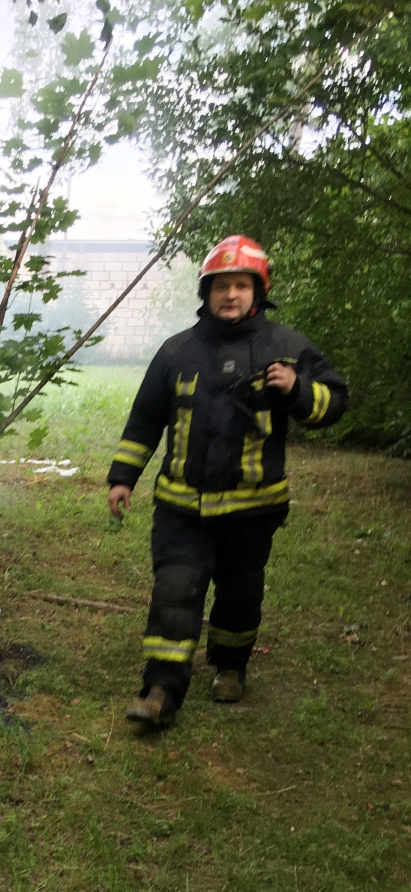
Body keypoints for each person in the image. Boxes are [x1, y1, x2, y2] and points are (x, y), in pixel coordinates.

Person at [106, 234, 348, 727]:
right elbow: (145, 419)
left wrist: (298, 389)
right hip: (181, 507)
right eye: (221, 285)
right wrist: (123, 477)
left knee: (240, 593)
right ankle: (160, 689)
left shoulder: (288, 347)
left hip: (253, 509)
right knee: (175, 588)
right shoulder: (177, 352)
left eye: (242, 285)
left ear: (258, 291)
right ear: (206, 292)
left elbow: (335, 403)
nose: (230, 295)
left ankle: (230, 665)